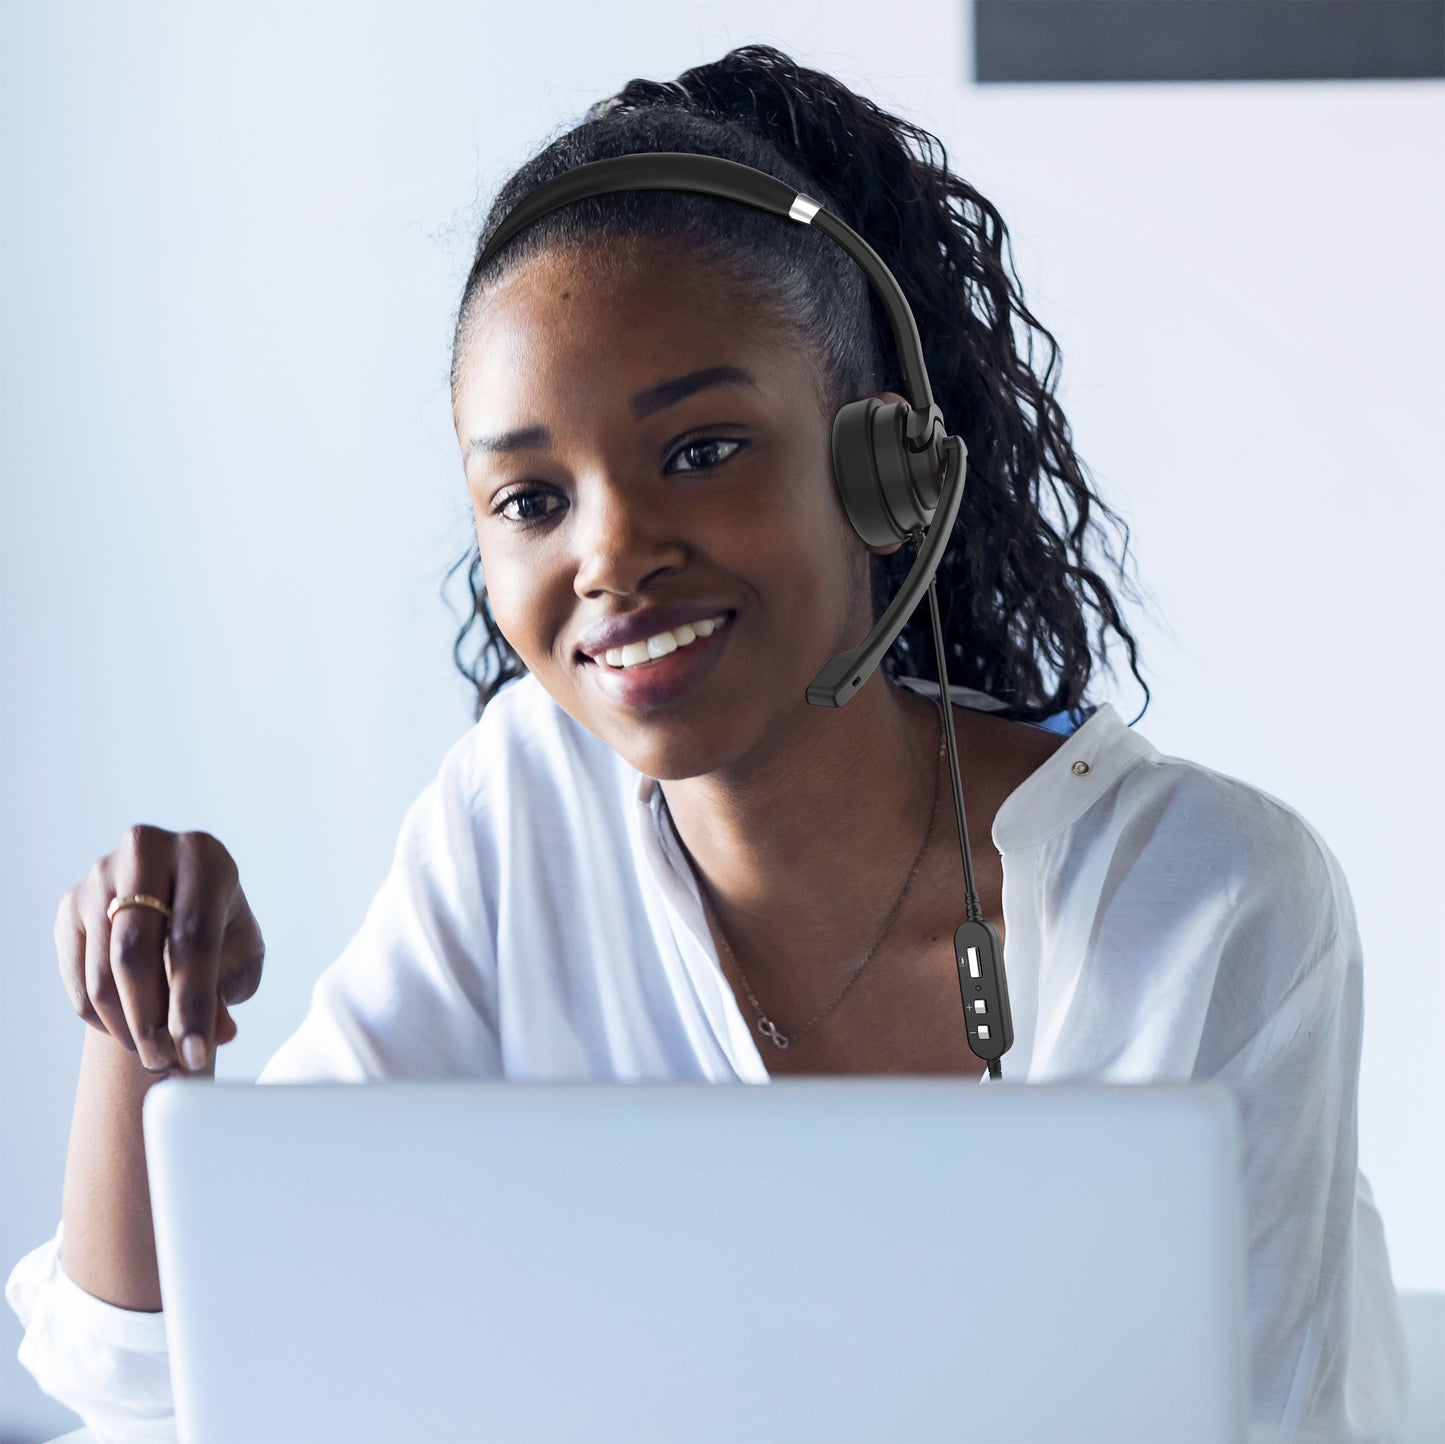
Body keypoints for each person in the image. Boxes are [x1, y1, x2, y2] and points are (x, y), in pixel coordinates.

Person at [6, 43, 1409, 1444]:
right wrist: (142, 1027)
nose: (610, 555)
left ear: (883, 470)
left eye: (700, 452)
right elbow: (149, 1390)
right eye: (532, 498)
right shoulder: (522, 807)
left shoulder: (1199, 896)